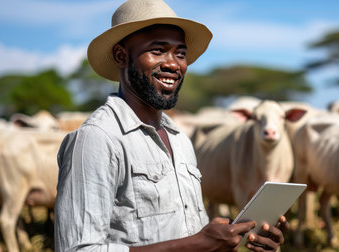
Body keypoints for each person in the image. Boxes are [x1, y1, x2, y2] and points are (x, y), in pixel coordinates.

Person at [54, 0, 288, 251]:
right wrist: (198, 243)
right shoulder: (97, 139)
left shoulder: (180, 139)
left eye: (180, 53)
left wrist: (236, 237)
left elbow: (184, 235)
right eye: (157, 51)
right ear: (122, 56)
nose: (173, 64)